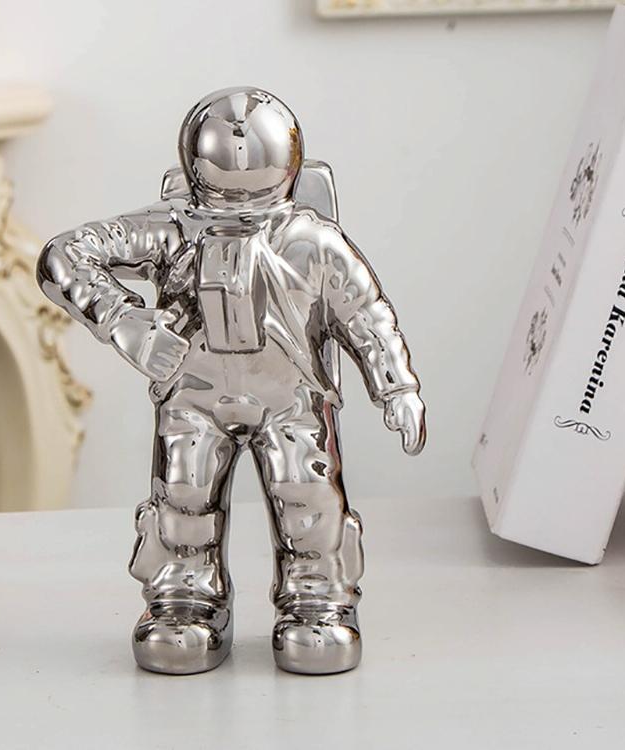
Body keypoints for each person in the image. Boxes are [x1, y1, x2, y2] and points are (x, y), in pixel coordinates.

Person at [37, 87, 426, 675]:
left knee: (308, 501)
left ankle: (318, 599)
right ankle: (184, 599)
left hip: (291, 400)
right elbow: (64, 256)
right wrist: (125, 320)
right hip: (194, 399)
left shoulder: (312, 243)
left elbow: (366, 316)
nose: (234, 221)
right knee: (183, 499)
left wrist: (396, 386)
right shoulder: (172, 230)